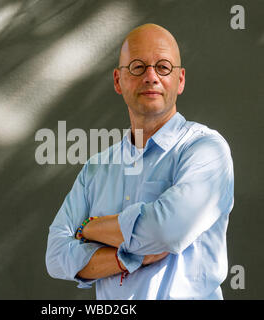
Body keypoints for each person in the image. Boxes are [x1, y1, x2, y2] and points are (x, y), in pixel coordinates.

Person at [45, 23, 234, 300]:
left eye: (163, 67)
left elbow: (167, 231)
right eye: (137, 67)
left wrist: (89, 227)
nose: (151, 77)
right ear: (117, 81)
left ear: (180, 80)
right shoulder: (96, 169)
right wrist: (129, 259)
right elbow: (56, 255)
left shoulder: (206, 149)